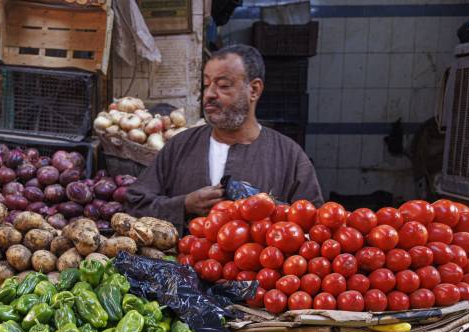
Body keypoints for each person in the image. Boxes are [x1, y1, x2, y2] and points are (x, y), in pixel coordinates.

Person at [126, 44, 322, 230]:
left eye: (223, 85)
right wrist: (183, 205)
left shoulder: (289, 156)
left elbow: (312, 225)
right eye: (206, 84)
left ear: (253, 90)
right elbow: (135, 203)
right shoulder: (180, 146)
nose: (209, 94)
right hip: (179, 263)